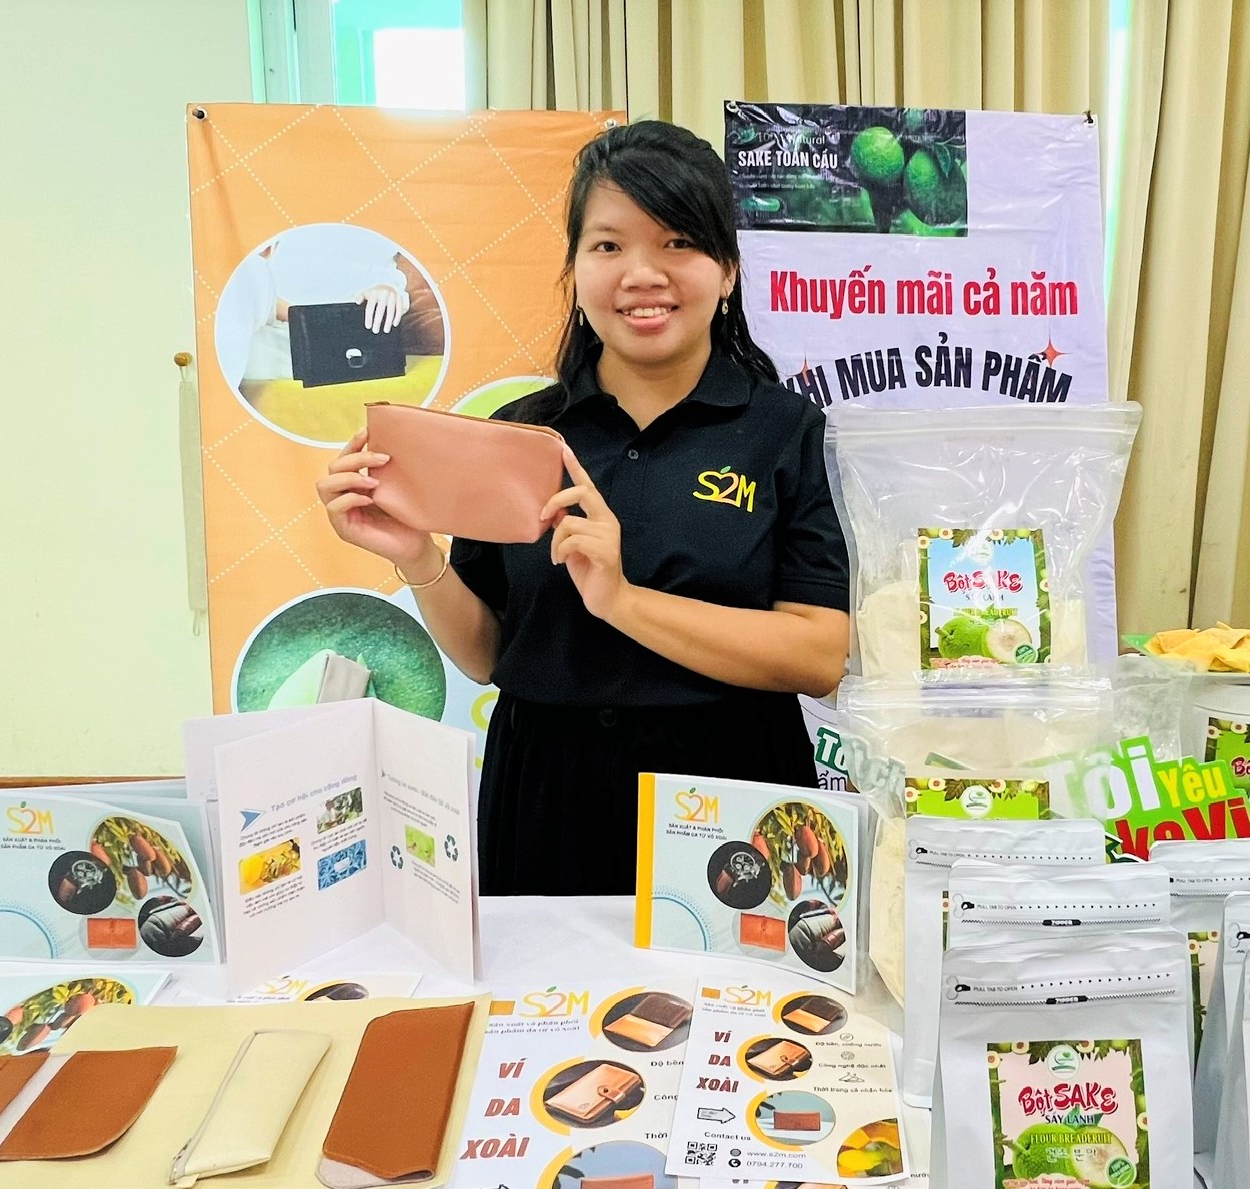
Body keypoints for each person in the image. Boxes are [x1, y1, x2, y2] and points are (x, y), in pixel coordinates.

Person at [317, 121, 850, 895]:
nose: (642, 273)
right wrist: (417, 556)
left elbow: (818, 656)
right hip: (546, 796)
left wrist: (623, 601)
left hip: (733, 790)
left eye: (677, 243)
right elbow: (489, 653)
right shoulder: (521, 435)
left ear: (727, 270)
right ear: (575, 267)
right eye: (608, 246)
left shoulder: (784, 430)